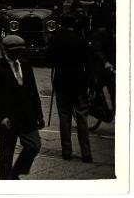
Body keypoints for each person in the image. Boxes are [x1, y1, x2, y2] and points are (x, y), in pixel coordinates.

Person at [0, 35, 44, 180]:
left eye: (19, 51)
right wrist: (1, 116)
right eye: (14, 51)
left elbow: (33, 91)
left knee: (34, 146)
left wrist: (39, 115)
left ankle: (17, 171)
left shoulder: (25, 65)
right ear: (5, 50)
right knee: (6, 155)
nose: (17, 54)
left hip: (27, 116)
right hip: (8, 119)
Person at [48, 14, 93, 162]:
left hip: (62, 81)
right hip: (79, 81)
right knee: (82, 117)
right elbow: (88, 62)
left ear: (61, 24)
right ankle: (86, 152)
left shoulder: (55, 39)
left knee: (64, 117)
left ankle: (66, 151)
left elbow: (50, 61)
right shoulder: (81, 39)